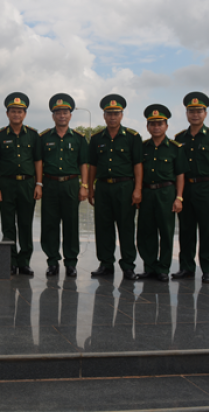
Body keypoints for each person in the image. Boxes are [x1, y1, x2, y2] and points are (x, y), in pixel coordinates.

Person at [173, 92, 209, 283]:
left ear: (205, 113)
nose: (195, 114)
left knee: (207, 230)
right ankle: (187, 267)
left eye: (198, 111)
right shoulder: (180, 137)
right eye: (191, 111)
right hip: (186, 189)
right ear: (186, 113)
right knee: (186, 230)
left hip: (206, 187)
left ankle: (208, 269)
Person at [0, 93, 43, 275]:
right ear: (7, 113)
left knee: (25, 224)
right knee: (8, 225)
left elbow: (38, 161)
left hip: (27, 185)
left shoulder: (33, 135)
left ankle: (24, 261)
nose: (16, 114)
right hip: (7, 185)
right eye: (13, 111)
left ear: (25, 114)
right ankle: (10, 260)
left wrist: (39, 184)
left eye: (20, 111)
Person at [87, 94, 142, 280]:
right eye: (109, 113)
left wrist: (137, 189)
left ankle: (128, 266)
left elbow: (137, 165)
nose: (112, 117)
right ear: (104, 116)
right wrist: (90, 187)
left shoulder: (133, 137)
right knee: (103, 227)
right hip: (103, 187)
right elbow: (92, 165)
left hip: (125, 187)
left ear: (122, 115)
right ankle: (106, 264)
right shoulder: (96, 139)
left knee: (126, 227)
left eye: (116, 113)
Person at [136, 104, 188, 282]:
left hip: (166, 192)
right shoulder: (142, 147)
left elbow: (180, 174)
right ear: (147, 127)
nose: (156, 127)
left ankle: (163, 268)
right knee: (146, 231)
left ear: (166, 125)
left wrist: (179, 197)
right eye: (152, 124)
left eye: (159, 123)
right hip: (146, 193)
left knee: (166, 232)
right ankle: (149, 267)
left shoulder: (176, 148)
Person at [39, 93, 88, 277]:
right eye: (58, 112)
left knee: (71, 224)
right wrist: (39, 183)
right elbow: (39, 163)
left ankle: (71, 262)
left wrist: (84, 186)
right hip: (50, 184)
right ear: (53, 116)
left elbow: (84, 163)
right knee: (50, 224)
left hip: (71, 184)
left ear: (70, 115)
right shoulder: (44, 137)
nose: (62, 115)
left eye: (65, 112)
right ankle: (52, 262)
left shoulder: (78, 138)